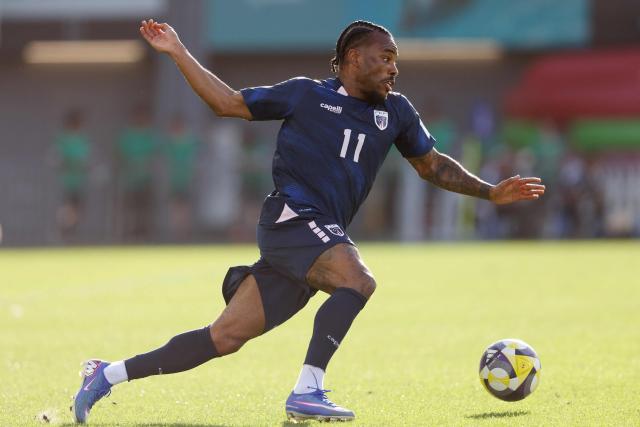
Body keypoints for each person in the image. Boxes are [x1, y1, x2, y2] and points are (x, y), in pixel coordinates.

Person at [72, 19, 546, 424]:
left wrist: (488, 190)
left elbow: (431, 164)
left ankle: (107, 374)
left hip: (313, 234)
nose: (394, 67)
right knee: (358, 279)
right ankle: (308, 389)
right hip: (291, 218)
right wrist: (177, 49)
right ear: (354, 58)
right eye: (386, 57)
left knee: (224, 337)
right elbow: (228, 103)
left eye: (395, 59)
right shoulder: (304, 95)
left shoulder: (396, 112)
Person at [54, 110, 91, 240]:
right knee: (67, 208)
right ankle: (63, 232)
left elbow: (87, 160)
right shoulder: (62, 140)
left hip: (80, 182)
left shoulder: (83, 139)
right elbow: (57, 160)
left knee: (79, 208)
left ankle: (73, 233)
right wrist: (69, 163)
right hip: (66, 182)